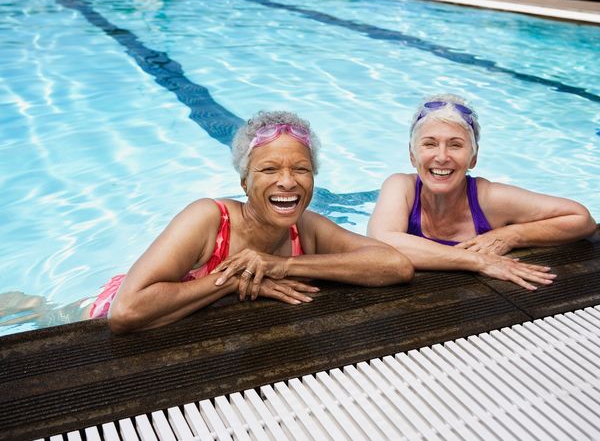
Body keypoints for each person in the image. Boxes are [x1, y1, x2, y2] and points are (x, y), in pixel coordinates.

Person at [91, 110, 414, 334]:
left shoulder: (306, 228)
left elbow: (394, 265)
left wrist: (279, 264)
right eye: (269, 169)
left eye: (301, 169)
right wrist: (233, 280)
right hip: (110, 306)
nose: (287, 182)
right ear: (245, 182)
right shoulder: (208, 219)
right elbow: (126, 313)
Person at [368, 94, 596, 290]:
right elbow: (381, 240)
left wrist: (511, 235)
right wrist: (478, 261)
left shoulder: (489, 199)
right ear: (412, 155)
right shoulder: (401, 187)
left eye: (456, 145)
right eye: (429, 144)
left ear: (473, 158)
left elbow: (581, 219)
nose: (441, 156)